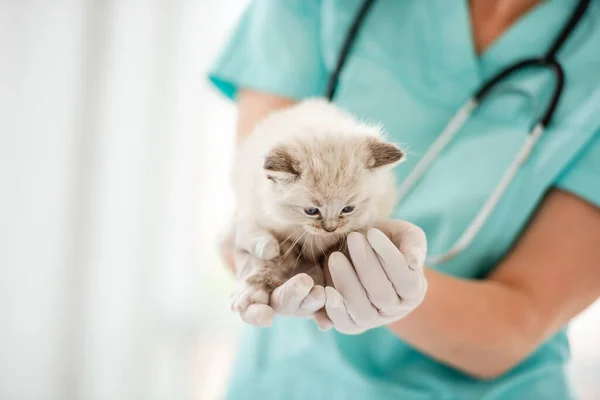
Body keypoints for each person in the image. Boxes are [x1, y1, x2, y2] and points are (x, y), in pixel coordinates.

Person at [208, 1, 600, 398]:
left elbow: (519, 323)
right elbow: (261, 184)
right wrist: (255, 245)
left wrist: (398, 289)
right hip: (292, 379)